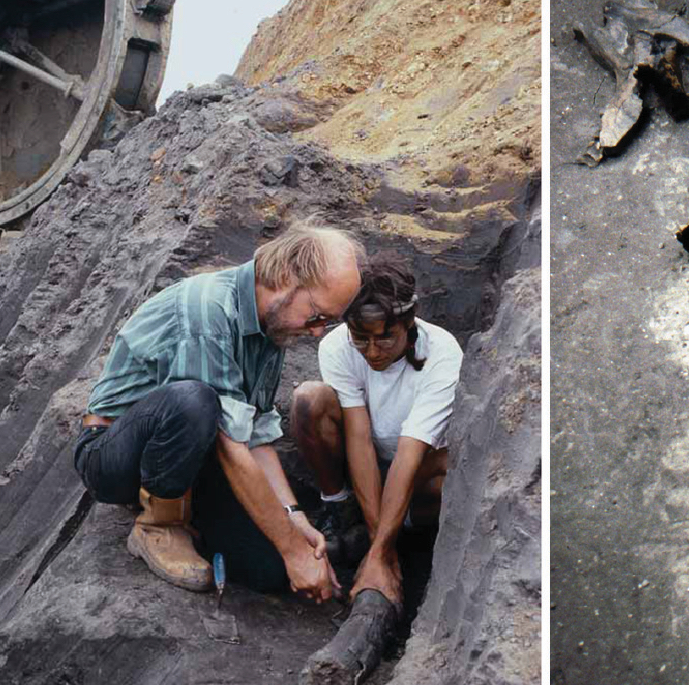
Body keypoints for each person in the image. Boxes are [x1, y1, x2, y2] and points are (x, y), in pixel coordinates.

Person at [75, 224, 361, 600]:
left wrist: (295, 521)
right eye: (317, 316)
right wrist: (294, 551)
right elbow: (230, 445)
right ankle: (157, 525)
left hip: (195, 460)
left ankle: (188, 513)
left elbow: (256, 436)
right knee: (194, 401)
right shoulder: (207, 310)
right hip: (114, 456)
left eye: (327, 322)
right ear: (289, 278)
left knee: (268, 568)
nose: (318, 332)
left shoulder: (271, 331)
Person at [290, 259, 461, 607]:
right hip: (360, 468)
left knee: (453, 464)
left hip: (415, 473)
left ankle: (407, 539)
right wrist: (377, 545)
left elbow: (411, 452)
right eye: (361, 339)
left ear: (408, 323)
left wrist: (382, 553)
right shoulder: (337, 346)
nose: (372, 352)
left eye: (385, 338)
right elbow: (358, 437)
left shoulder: (442, 352)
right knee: (309, 399)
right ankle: (340, 511)